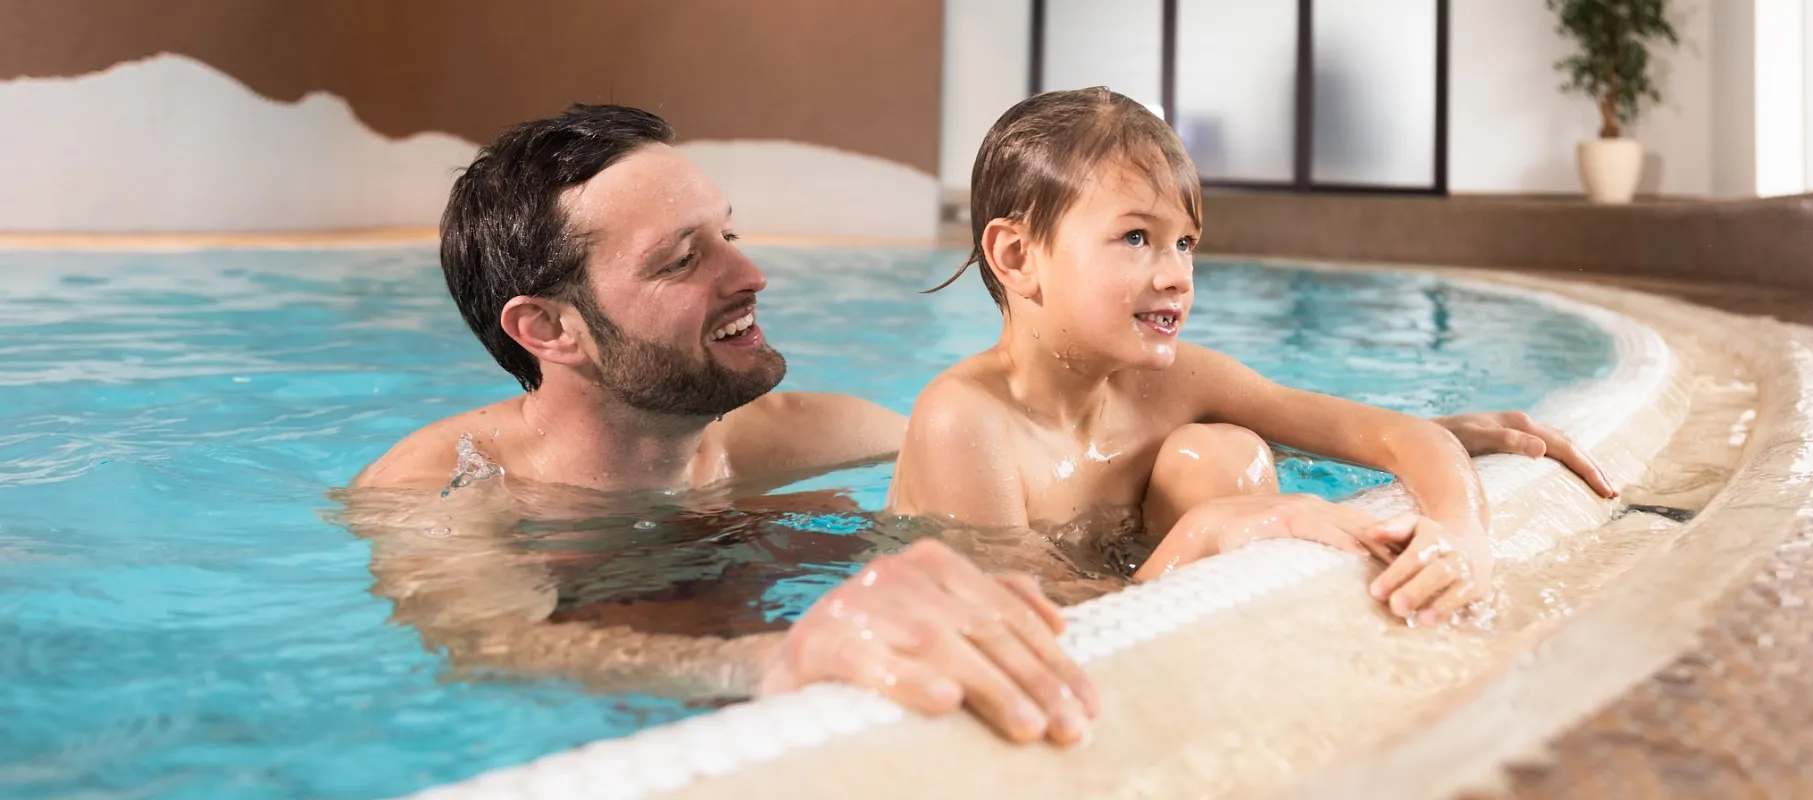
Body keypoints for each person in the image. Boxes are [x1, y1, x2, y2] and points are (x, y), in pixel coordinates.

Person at [345, 103, 1615, 749]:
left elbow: (1059, 444)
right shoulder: (439, 490)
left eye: (731, 229)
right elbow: (507, 657)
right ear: (548, 330)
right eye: (688, 256)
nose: (751, 273)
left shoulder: (810, 430)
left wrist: (1399, 434)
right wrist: (779, 659)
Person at [887, 87, 1617, 627]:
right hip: (1044, 630)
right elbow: (1048, 628)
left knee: (1220, 455)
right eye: (1137, 238)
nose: (1175, 274)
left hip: (1136, 579)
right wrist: (1215, 530)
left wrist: (1462, 534)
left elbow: (1404, 436)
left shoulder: (1174, 384)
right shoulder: (966, 422)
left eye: (1185, 243)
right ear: (1017, 256)